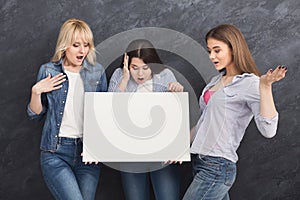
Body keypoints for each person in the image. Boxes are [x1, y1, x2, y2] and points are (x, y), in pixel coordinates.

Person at [182, 24, 287, 200]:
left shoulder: (250, 83)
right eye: (209, 51)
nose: (212, 56)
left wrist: (265, 86)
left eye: (217, 50)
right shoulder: (215, 81)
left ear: (233, 49)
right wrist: (175, 146)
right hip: (200, 162)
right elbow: (203, 124)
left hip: (217, 167)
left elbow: (268, 130)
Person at [27, 18, 107, 200]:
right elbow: (35, 115)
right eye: (76, 45)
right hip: (56, 153)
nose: (82, 51)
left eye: (86, 45)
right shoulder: (49, 71)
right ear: (65, 46)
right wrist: (36, 91)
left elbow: (103, 116)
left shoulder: (97, 72)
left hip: (87, 154)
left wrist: (98, 148)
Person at [108, 39, 184, 200]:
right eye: (134, 68)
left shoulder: (165, 76)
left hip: (162, 153)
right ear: (127, 65)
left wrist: (177, 93)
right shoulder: (119, 76)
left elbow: (175, 115)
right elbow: (109, 111)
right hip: (131, 153)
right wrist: (124, 79)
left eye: (145, 68)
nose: (140, 74)